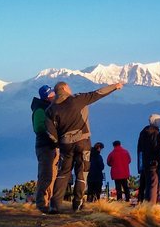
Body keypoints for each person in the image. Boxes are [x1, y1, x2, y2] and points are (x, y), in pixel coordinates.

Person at [45, 81, 123, 212]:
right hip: (83, 141)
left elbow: (50, 133)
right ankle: (77, 203)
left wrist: (58, 144)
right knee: (82, 172)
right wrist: (115, 86)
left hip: (65, 144)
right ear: (64, 88)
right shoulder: (77, 99)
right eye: (69, 87)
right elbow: (97, 94)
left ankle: (55, 204)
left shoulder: (50, 110)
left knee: (63, 173)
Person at [31, 85, 58, 213]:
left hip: (52, 146)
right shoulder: (40, 109)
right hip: (45, 146)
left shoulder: (47, 107)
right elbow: (39, 128)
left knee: (52, 175)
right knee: (45, 175)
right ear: (48, 96)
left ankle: (50, 202)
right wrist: (53, 129)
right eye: (52, 95)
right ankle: (41, 203)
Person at [137, 113, 160, 204]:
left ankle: (144, 202)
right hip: (154, 163)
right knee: (154, 184)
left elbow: (140, 149)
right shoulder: (156, 133)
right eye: (159, 120)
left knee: (146, 184)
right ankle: (152, 204)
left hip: (145, 162)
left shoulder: (143, 132)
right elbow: (157, 148)